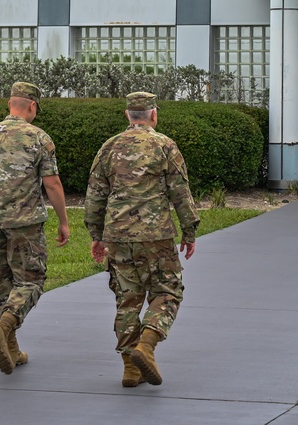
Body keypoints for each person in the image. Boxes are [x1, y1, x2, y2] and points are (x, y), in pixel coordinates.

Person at [84, 91, 199, 388]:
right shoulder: (165, 146)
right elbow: (180, 193)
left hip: (118, 235)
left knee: (127, 300)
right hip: (156, 234)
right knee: (168, 291)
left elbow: (95, 195)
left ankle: (130, 369)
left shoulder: (109, 147)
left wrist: (96, 236)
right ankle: (147, 345)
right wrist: (189, 231)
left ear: (127, 115)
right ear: (153, 114)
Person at [0, 81, 70, 375]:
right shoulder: (39, 138)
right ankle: (4, 325)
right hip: (27, 224)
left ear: (10, 104)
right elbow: (52, 184)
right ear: (32, 106)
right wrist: (63, 221)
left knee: (3, 281)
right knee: (31, 281)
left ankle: (10, 348)